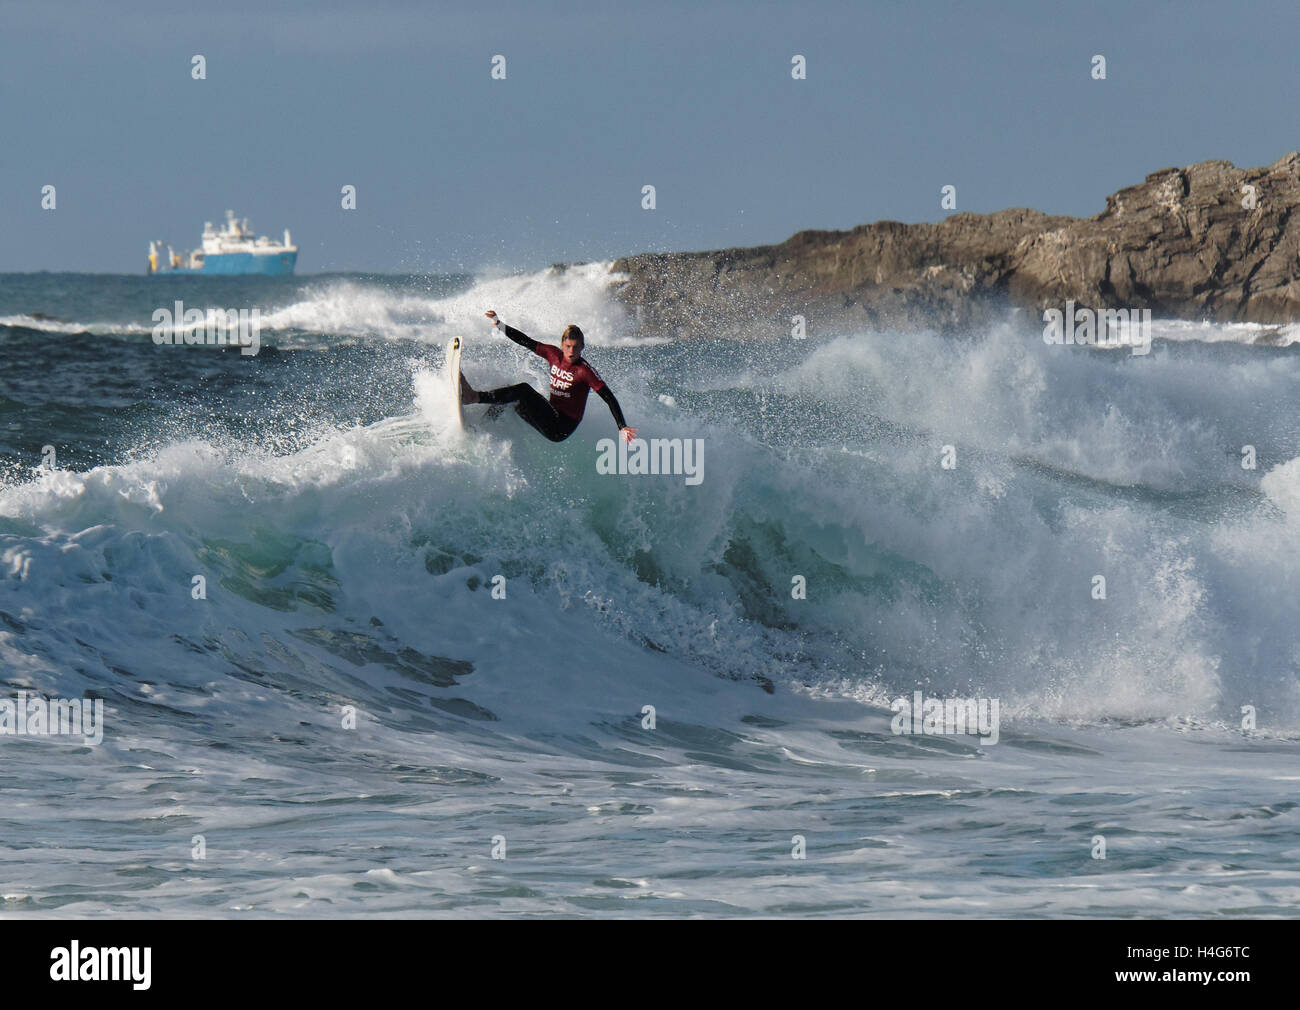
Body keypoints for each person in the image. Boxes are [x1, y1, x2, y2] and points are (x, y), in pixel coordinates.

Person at [461, 310, 637, 444]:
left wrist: (621, 426)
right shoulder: (553, 354)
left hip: (561, 427)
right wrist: (499, 324)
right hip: (549, 414)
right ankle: (481, 426)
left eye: (576, 347)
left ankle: (473, 396)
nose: (571, 351)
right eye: (568, 346)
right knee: (510, 396)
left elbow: (609, 397)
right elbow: (525, 341)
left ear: (582, 347)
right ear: (562, 344)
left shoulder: (584, 371)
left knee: (523, 390)